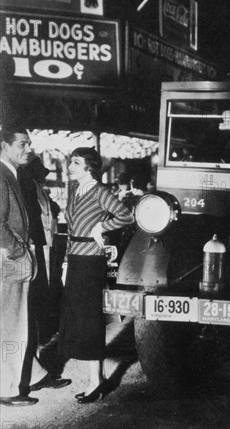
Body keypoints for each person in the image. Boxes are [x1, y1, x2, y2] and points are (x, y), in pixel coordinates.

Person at [59, 147, 134, 403]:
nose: (70, 166)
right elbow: (72, 228)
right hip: (77, 259)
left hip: (92, 260)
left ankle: (96, 381)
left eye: (76, 163)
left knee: (90, 319)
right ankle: (97, 377)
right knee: (79, 317)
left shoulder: (100, 192)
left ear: (89, 167)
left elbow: (126, 215)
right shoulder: (76, 191)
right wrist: (66, 263)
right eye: (71, 161)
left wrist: (101, 226)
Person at [17, 155, 71, 398]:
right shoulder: (23, 184)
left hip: (42, 251)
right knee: (28, 314)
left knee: (35, 313)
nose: (44, 173)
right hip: (31, 252)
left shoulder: (35, 186)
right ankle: (29, 374)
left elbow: (52, 210)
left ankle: (32, 370)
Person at [0, 126, 45, 406]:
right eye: (22, 144)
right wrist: (18, 251)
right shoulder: (1, 175)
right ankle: (6, 389)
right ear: (4, 145)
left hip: (12, 256)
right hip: (9, 258)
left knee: (14, 322)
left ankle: (30, 375)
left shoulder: (12, 174)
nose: (28, 149)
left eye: (29, 144)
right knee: (11, 325)